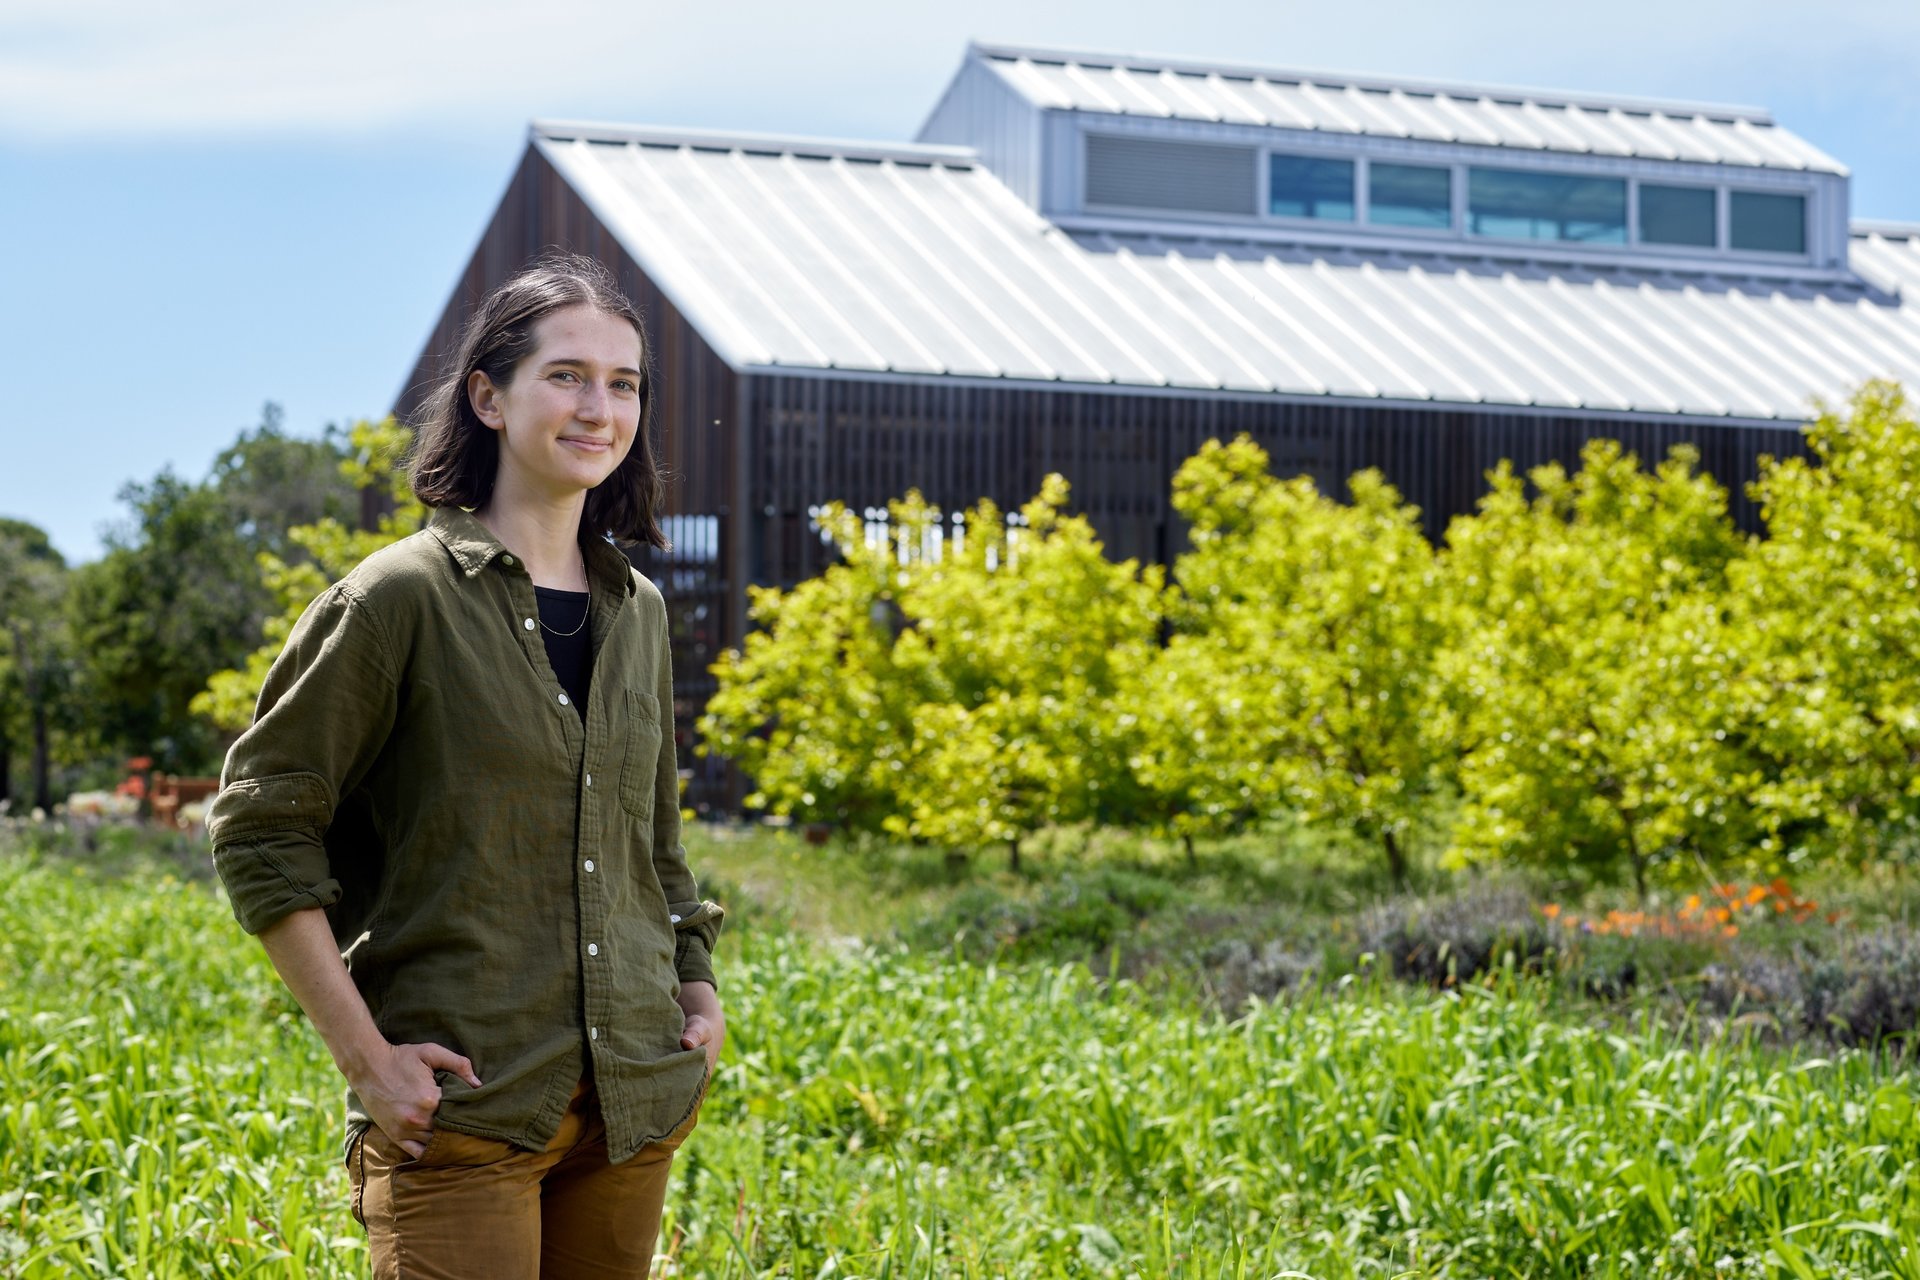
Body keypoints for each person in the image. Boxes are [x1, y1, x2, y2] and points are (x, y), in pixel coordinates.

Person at [206, 252, 726, 1279]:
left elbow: (652, 845)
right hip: (464, 1110)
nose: (600, 407)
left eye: (624, 383)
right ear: (488, 395)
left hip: (631, 1109)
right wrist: (366, 1057)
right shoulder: (396, 597)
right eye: (567, 375)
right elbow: (261, 825)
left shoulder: (642, 612)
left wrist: (697, 989)